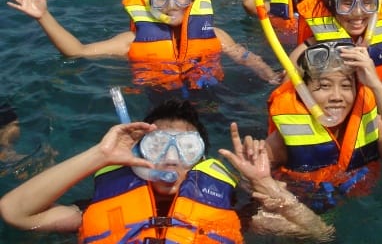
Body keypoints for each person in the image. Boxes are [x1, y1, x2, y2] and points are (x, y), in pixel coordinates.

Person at [0, 99, 334, 242]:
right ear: (137, 153)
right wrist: (98, 156)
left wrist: (265, 185)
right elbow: (15, 213)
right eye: (158, 145)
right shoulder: (93, 210)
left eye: (186, 148)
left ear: (199, 160)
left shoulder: (230, 213)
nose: (171, 158)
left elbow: (319, 233)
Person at [5, 0, 279, 88]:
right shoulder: (132, 40)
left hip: (209, 96)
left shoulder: (216, 35)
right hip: (158, 100)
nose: (172, 5)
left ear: (192, 1)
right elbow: (77, 51)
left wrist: (269, 76)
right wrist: (43, 16)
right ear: (152, 5)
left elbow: (245, 57)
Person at [266, 42, 382, 211]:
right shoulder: (283, 139)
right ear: (304, 93)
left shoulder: (372, 124)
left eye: (346, 86)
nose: (336, 97)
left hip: (366, 209)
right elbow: (256, 181)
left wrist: (377, 86)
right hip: (308, 208)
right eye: (324, 86)